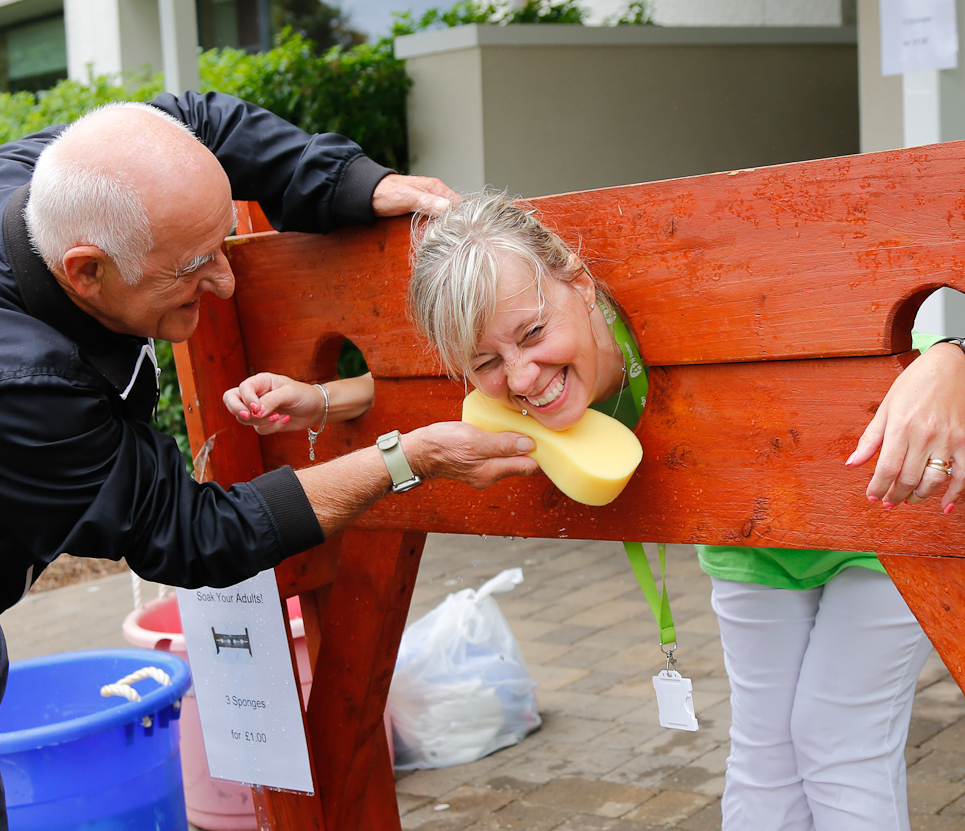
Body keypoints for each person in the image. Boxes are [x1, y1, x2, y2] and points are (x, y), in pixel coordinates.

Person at [0, 95, 539, 831]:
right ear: (85, 271)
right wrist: (409, 457)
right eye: (193, 266)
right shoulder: (0, 379)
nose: (226, 281)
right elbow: (194, 537)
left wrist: (348, 184)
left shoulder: (66, 180)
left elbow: (197, 122)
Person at [392, 191, 946, 831]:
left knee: (835, 740)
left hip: (887, 515)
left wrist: (949, 354)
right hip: (748, 542)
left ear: (579, 277)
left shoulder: (716, 308)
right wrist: (324, 399)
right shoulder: (520, 393)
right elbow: (390, 397)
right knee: (763, 755)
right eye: (486, 362)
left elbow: (894, 345)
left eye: (534, 333)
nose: (520, 379)